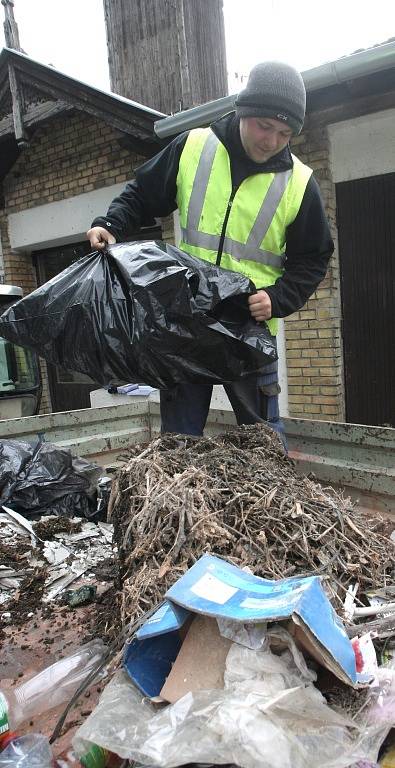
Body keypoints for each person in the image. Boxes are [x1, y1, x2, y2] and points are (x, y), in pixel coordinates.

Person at [87, 61, 334, 438]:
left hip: (250, 331)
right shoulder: (194, 147)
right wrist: (111, 223)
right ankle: (177, 497)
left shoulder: (300, 183)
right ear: (242, 111)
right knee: (179, 442)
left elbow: (313, 258)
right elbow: (142, 193)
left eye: (284, 133)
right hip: (186, 322)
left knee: (264, 441)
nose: (271, 141)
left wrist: (278, 298)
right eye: (264, 126)